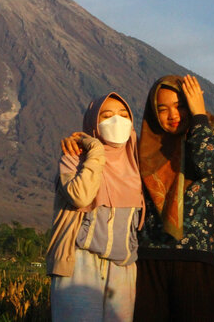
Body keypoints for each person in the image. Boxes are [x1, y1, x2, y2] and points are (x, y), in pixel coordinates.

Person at [133, 75, 214, 322]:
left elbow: (204, 163)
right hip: (148, 260)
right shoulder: (145, 146)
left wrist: (199, 116)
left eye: (180, 105)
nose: (172, 114)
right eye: (163, 108)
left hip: (196, 260)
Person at [47, 92, 144, 321]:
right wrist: (96, 151)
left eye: (123, 115)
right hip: (80, 263)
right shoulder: (74, 157)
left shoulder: (138, 162)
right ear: (93, 123)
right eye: (107, 115)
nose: (117, 121)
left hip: (123, 265)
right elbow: (80, 197)